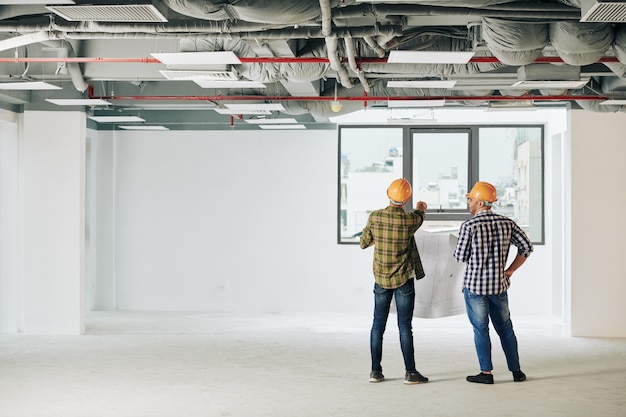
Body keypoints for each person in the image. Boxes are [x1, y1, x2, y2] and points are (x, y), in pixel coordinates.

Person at [453, 181, 533, 384]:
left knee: (481, 330)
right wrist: (511, 270)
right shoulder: (507, 223)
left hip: (475, 288)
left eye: (470, 199)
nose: (469, 202)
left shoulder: (469, 225)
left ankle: (486, 374)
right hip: (499, 286)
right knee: (506, 329)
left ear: (480, 202)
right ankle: (516, 372)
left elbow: (460, 256)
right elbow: (526, 247)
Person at [360, 178, 429, 385]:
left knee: (377, 326)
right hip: (403, 281)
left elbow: (363, 243)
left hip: (380, 279)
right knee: (405, 327)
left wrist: (377, 238)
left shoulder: (375, 217)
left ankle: (375, 372)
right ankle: (410, 373)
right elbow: (419, 215)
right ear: (407, 198)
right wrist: (421, 208)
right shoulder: (409, 221)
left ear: (387, 193)